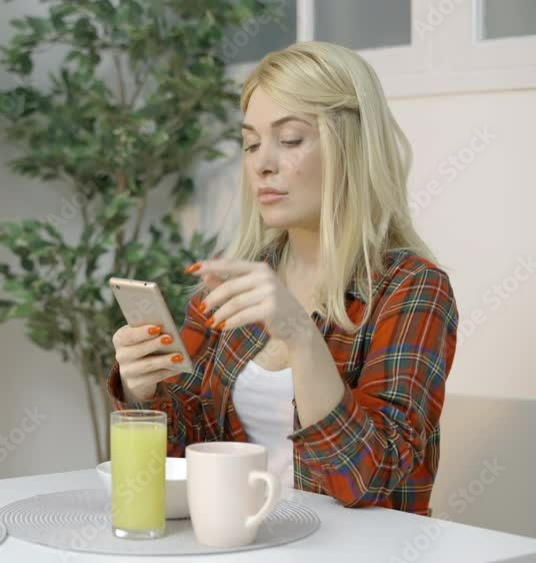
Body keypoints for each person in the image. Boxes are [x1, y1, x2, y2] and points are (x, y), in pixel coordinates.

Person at [109, 41, 459, 515]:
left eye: (290, 139)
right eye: (251, 143)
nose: (262, 163)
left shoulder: (412, 287)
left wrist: (300, 335)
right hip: (243, 540)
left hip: (357, 548)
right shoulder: (239, 276)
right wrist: (143, 392)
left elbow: (373, 481)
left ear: (352, 148)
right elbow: (185, 454)